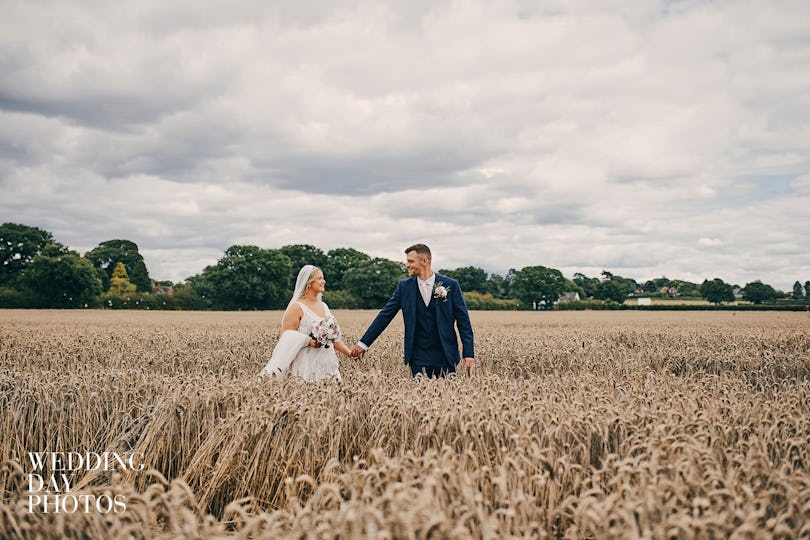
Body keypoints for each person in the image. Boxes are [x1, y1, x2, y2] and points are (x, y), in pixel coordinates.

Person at [351, 244, 475, 377]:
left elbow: (464, 322)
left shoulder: (451, 285)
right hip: (417, 356)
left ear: (425, 261)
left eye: (411, 261)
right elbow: (385, 316)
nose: (407, 265)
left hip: (445, 354)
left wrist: (468, 353)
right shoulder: (404, 287)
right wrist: (363, 344)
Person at [260, 265, 352, 381]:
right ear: (309, 283)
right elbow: (286, 337)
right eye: (320, 278)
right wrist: (309, 341)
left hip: (327, 363)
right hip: (306, 364)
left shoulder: (324, 306)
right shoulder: (297, 307)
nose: (324, 281)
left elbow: (333, 339)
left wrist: (349, 353)